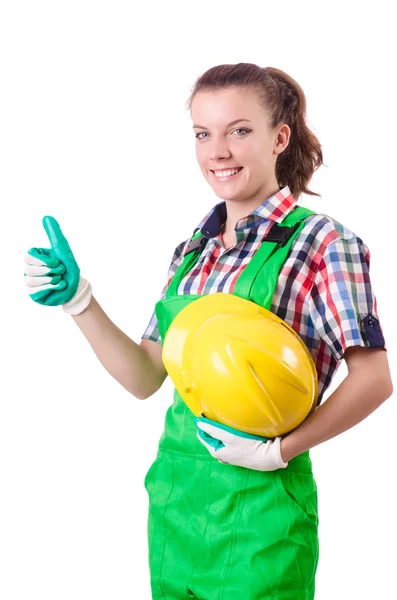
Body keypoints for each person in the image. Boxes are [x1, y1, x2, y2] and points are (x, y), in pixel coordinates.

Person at [24, 63, 393, 600]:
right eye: (203, 133)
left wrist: (280, 451)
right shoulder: (192, 251)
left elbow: (374, 379)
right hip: (177, 507)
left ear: (279, 138)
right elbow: (146, 376)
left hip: (262, 515)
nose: (217, 151)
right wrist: (80, 301)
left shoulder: (323, 243)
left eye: (239, 130)